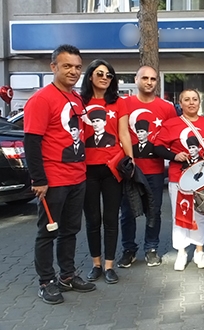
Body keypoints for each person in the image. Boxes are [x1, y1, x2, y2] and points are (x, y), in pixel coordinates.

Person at [24, 44, 96, 305]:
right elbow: (31, 142)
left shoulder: (76, 98)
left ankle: (67, 275)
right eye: (67, 66)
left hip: (78, 177)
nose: (73, 71)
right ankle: (46, 281)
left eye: (77, 67)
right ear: (53, 67)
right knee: (47, 232)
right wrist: (39, 179)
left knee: (70, 231)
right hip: (53, 181)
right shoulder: (41, 99)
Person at [118, 66, 178, 269]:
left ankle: (151, 248)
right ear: (136, 79)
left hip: (155, 170)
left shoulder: (167, 108)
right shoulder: (124, 104)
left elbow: (172, 137)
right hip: (130, 171)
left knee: (154, 211)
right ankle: (129, 250)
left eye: (153, 78)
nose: (149, 82)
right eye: (145, 78)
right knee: (127, 212)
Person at [80, 59, 133, 284]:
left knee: (111, 218)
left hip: (112, 169)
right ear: (90, 75)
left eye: (109, 75)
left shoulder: (119, 103)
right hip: (86, 171)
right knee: (93, 219)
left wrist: (130, 161)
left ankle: (110, 265)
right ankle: (96, 264)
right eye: (100, 73)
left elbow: (124, 134)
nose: (104, 78)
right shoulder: (80, 102)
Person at [154, 89, 204, 271]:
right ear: (180, 104)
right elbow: (158, 147)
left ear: (199, 103)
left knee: (201, 214)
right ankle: (181, 252)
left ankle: (199, 251)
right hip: (179, 177)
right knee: (180, 215)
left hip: (203, 178)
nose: (191, 103)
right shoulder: (171, 124)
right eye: (187, 100)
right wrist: (174, 156)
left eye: (195, 99)